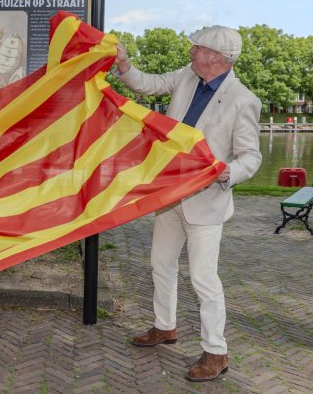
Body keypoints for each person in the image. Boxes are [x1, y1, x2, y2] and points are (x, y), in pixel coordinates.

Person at [113, 26, 262, 381]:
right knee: (160, 264)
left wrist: (225, 172)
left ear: (216, 57)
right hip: (170, 195)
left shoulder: (243, 99)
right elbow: (145, 83)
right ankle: (165, 327)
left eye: (198, 47)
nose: (191, 50)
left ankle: (216, 352)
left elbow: (251, 157)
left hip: (206, 201)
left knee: (203, 278)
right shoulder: (185, 76)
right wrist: (123, 64)